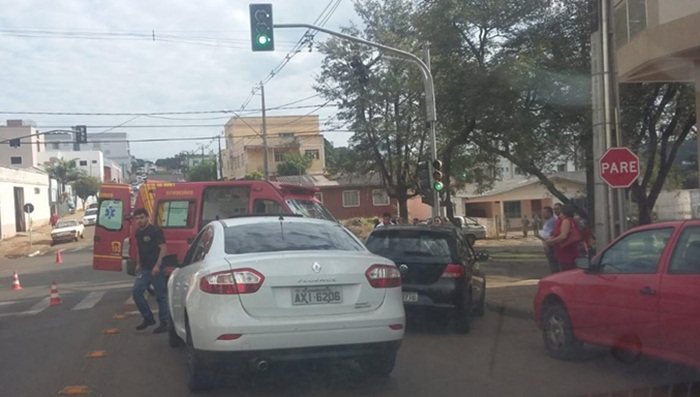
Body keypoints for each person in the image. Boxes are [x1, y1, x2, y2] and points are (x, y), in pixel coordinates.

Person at [131, 208, 169, 333]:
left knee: (161, 297)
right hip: (145, 270)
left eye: (141, 217)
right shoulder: (138, 233)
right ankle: (148, 319)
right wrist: (138, 264)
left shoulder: (155, 231)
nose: (139, 220)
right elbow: (139, 249)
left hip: (157, 270)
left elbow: (163, 248)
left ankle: (165, 323)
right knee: (136, 291)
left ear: (147, 217)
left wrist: (158, 266)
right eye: (137, 218)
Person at [546, 204, 585, 272]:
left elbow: (563, 236)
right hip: (568, 249)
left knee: (566, 269)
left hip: (566, 249)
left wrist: (551, 241)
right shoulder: (570, 220)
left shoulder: (566, 221)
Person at [539, 207, 558, 273]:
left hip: (550, 244)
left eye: (544, 212)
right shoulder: (548, 221)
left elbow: (551, 233)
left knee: (553, 262)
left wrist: (546, 243)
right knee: (551, 262)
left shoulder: (552, 221)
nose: (543, 214)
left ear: (550, 213)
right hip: (547, 243)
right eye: (542, 212)